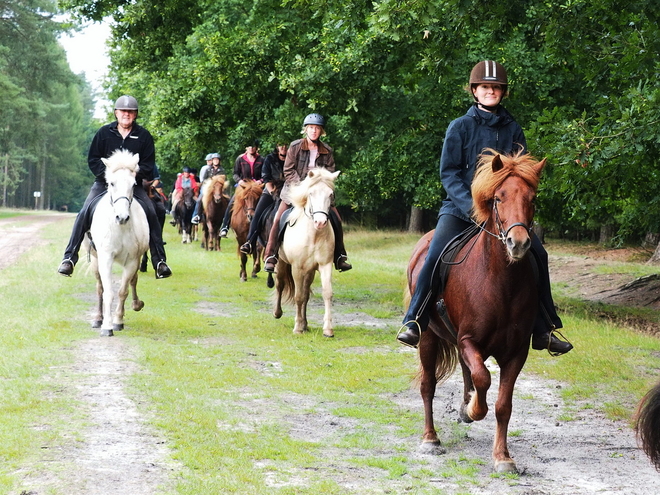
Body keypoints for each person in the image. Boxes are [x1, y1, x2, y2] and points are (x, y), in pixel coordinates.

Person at [396, 61, 572, 355]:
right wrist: (472, 207)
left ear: (502, 92)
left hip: (504, 214)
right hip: (460, 209)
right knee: (435, 254)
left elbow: (521, 174)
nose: (491, 91)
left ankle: (545, 327)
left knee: (538, 254)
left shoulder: (513, 128)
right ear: (475, 91)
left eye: (496, 87)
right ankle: (414, 319)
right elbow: (449, 173)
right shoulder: (459, 127)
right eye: (485, 87)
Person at [57, 95, 172, 279]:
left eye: (130, 112)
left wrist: (134, 174)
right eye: (123, 111)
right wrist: (110, 174)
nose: (126, 114)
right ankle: (69, 257)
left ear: (135, 115)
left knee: (152, 211)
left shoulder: (144, 136)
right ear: (116, 113)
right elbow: (93, 159)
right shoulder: (103, 133)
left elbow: (149, 165)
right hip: (105, 183)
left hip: (132, 185)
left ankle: (159, 261)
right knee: (84, 212)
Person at [263, 113, 352, 273]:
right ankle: (271, 255)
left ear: (321, 131)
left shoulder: (327, 151)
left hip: (318, 193)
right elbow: (288, 170)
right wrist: (304, 185)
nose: (314, 131)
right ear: (306, 130)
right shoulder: (295, 146)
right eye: (311, 128)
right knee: (278, 218)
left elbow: (329, 172)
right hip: (295, 191)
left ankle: (340, 256)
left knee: (337, 219)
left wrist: (319, 185)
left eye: (317, 128)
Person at [240, 142, 288, 255]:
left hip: (289, 191)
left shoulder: (293, 157)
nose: (284, 148)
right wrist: (272, 192)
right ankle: (250, 242)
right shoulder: (270, 159)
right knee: (258, 213)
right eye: (281, 145)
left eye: (286, 145)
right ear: (277, 146)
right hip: (271, 190)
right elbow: (266, 178)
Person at [218, 140, 265, 238]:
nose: (251, 148)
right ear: (246, 148)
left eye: (253, 146)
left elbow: (265, 174)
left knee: (268, 201)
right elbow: (235, 174)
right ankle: (225, 226)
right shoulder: (240, 159)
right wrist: (240, 181)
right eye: (249, 146)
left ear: (256, 148)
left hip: (257, 187)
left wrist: (260, 181)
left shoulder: (262, 159)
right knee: (231, 203)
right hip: (243, 187)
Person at [192, 152, 226, 224]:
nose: (216, 161)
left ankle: (226, 218)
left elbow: (223, 179)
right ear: (212, 160)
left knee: (227, 199)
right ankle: (197, 215)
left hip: (219, 188)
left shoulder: (222, 170)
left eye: (217, 159)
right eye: (214, 159)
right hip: (208, 188)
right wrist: (209, 183)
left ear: (219, 161)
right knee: (200, 199)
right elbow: (203, 180)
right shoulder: (208, 169)